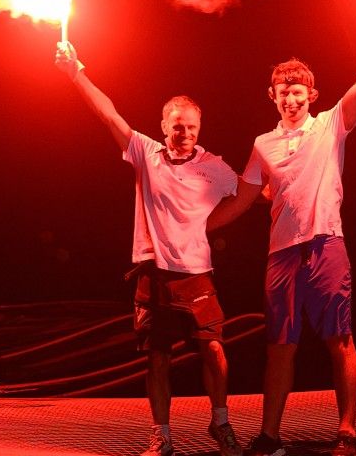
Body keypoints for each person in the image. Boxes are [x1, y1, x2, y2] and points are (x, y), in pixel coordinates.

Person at [207, 8, 356, 456]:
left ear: (311, 95)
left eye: (298, 91)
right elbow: (242, 202)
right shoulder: (262, 145)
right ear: (273, 96)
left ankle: (347, 433)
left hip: (327, 245)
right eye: (284, 92)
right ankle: (270, 437)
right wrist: (192, 228)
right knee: (279, 346)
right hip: (281, 255)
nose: (291, 98)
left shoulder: (331, 125)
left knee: (339, 340)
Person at [55, 40, 244, 456]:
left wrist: (289, 184)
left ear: (200, 128)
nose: (185, 133)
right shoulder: (145, 153)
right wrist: (75, 72)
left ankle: (221, 423)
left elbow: (250, 194)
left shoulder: (215, 168)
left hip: (196, 274)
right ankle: (162, 437)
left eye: (191, 126)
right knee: (157, 357)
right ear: (164, 127)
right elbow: (108, 114)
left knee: (214, 349)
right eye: (177, 126)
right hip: (152, 273)